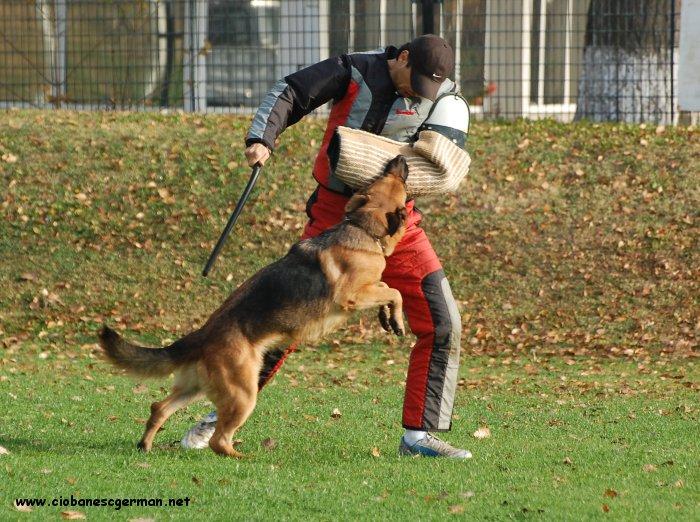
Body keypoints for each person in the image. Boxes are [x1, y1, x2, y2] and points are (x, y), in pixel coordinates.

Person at [182, 34, 470, 459]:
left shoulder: (445, 98)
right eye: (414, 83)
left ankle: (420, 436)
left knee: (444, 323)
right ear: (402, 57)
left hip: (397, 225)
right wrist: (262, 137)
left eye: (427, 91)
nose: (417, 95)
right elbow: (293, 91)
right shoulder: (353, 68)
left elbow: (442, 163)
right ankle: (217, 416)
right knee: (279, 322)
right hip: (336, 219)